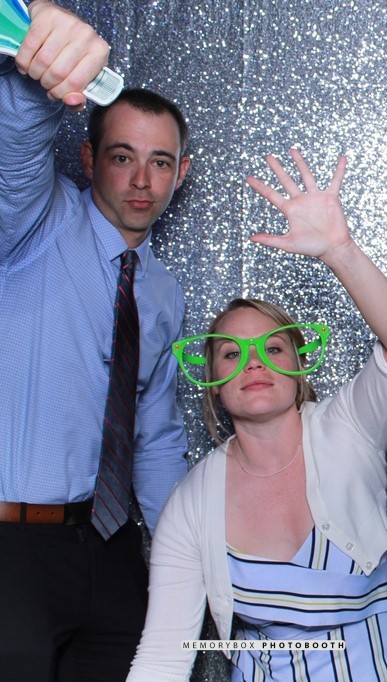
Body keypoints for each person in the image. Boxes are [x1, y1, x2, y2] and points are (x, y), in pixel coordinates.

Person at [128, 148, 387, 680]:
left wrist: (340, 251)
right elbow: (165, 653)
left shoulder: (347, 429)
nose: (254, 363)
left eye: (272, 348)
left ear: (297, 366)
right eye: (232, 354)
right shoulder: (192, 503)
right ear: (213, 383)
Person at [0, 3, 190, 679]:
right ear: (88, 158)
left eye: (160, 162)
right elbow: (15, 153)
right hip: (12, 548)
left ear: (180, 173)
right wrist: (40, 74)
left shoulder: (163, 292)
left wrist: (184, 558)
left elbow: (155, 438)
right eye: (122, 156)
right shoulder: (33, 223)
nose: (141, 180)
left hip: (110, 550)